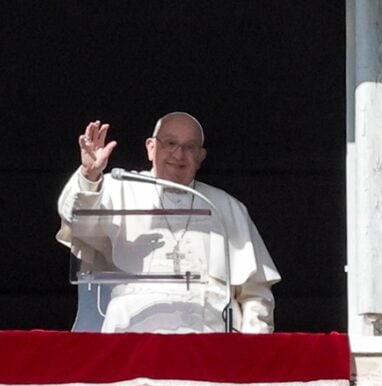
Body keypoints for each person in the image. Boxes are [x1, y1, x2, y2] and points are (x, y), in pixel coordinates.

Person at [56, 112, 281, 333]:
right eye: (170, 143)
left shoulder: (225, 207)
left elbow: (255, 294)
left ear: (201, 157)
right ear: (151, 147)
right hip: (132, 339)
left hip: (210, 343)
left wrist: (251, 352)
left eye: (189, 147)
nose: (179, 154)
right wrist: (89, 176)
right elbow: (75, 220)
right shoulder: (117, 188)